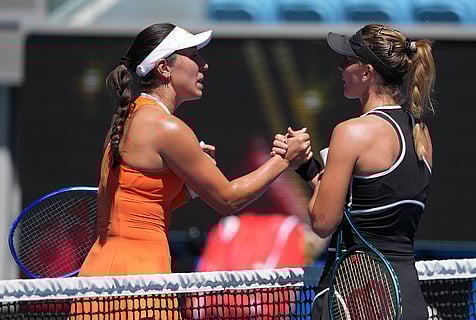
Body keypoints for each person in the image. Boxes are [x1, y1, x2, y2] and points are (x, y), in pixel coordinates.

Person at [78, 23, 311, 278]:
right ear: (164, 68)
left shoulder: (125, 119)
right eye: (193, 56)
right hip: (138, 280)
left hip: (99, 275)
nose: (204, 65)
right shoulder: (166, 128)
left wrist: (190, 188)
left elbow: (145, 205)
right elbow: (228, 199)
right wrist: (284, 160)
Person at [272, 24, 435, 319]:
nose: (340, 66)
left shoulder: (351, 133)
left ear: (367, 71)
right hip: (407, 300)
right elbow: (369, 204)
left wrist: (299, 162)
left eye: (347, 60)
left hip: (354, 298)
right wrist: (308, 168)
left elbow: (323, 221)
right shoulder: (421, 133)